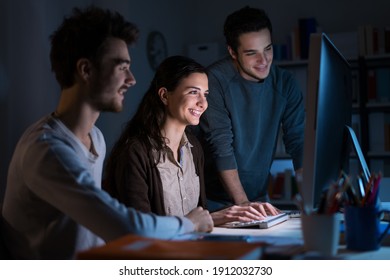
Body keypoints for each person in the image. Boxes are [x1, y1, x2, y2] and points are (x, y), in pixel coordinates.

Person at [1, 6, 212, 260]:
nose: (132, 79)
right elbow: (127, 227)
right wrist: (190, 223)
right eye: (121, 67)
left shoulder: (96, 139)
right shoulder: (46, 148)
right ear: (86, 70)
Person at [103, 55, 266, 226]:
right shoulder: (135, 152)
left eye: (206, 94)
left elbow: (199, 218)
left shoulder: (194, 148)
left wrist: (231, 214)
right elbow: (140, 228)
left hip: (192, 248)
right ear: (164, 96)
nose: (203, 103)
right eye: (194, 92)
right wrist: (211, 218)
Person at [199, 6, 305, 213]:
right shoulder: (213, 80)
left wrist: (312, 201)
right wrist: (244, 205)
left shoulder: (285, 83)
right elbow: (221, 146)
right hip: (212, 201)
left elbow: (299, 141)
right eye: (251, 53)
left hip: (257, 196)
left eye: (268, 49)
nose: (264, 61)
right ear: (232, 52)